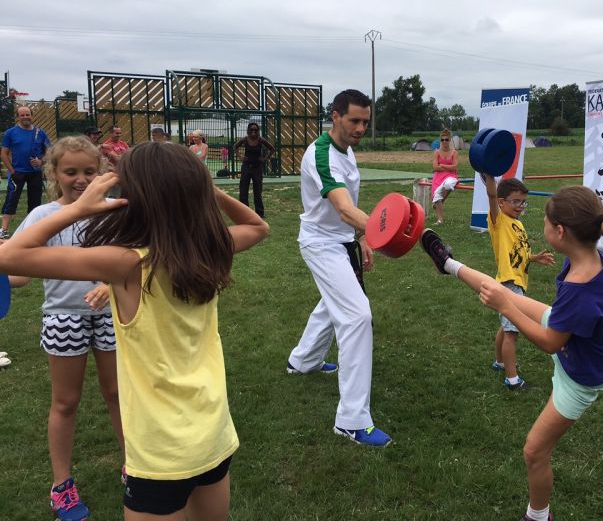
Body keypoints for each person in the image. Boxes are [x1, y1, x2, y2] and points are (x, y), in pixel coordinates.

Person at [0, 142, 269, 519]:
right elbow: (258, 226)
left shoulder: (126, 263)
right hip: (213, 434)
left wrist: (76, 209)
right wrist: (206, 188)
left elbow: (8, 256)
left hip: (160, 449)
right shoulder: (210, 248)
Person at [420, 186, 603, 521]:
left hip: (579, 375)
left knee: (534, 451)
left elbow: (551, 343)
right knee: (498, 287)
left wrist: (508, 307)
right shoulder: (595, 259)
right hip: (573, 333)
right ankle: (447, 263)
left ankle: (538, 516)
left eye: (547, 222)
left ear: (560, 232)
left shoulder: (580, 286)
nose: (543, 227)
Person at [5, 136, 123, 520]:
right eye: (71, 171)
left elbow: (130, 263)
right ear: (53, 172)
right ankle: (62, 485)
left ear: (102, 172)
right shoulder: (42, 217)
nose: (81, 179)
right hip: (64, 318)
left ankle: (135, 467)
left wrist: (110, 284)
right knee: (66, 402)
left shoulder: (113, 212)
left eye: (90, 171)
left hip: (110, 318)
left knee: (119, 394)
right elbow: (21, 273)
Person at [286, 89, 392, 448]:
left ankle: (302, 361)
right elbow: (345, 208)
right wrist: (380, 232)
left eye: (366, 121)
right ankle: (351, 421)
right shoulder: (321, 154)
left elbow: (349, 211)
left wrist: (361, 239)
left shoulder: (346, 150)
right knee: (357, 316)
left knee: (334, 303)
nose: (361, 127)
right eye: (354, 120)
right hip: (320, 244)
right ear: (335, 116)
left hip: (341, 241)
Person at [484, 174, 555, 390]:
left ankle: (500, 362)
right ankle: (512, 380)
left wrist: (534, 258)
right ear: (501, 202)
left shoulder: (518, 224)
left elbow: (520, 251)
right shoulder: (498, 220)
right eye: (516, 201)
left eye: (523, 201)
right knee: (512, 333)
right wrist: (488, 174)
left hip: (517, 281)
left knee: (506, 326)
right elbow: (491, 193)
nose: (520, 206)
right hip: (509, 283)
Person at [1, 105, 51, 239]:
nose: (25, 117)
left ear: (32, 115)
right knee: (11, 200)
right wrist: (12, 171)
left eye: (27, 114)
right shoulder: (10, 133)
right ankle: (4, 229)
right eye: (22, 115)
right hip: (18, 173)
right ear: (18, 117)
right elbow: (4, 154)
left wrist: (41, 161)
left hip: (35, 173)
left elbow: (50, 152)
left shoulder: (40, 132)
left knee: (35, 201)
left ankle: (31, 229)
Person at [234, 123, 275, 219]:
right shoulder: (245, 139)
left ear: (258, 131)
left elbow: (272, 149)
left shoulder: (261, 140)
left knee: (258, 191)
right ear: (248, 130)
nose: (253, 132)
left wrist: (265, 159)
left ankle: (259, 213)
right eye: (251, 130)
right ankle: (244, 212)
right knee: (243, 190)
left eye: (255, 130)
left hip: (257, 168)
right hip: (246, 167)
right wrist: (240, 157)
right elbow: (235, 146)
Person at [431, 128, 459, 225]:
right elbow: (435, 167)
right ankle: (440, 220)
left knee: (448, 185)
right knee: (437, 196)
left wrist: (442, 165)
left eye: (446, 139)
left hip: (451, 176)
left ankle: (441, 201)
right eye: (442, 140)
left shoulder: (454, 152)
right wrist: (448, 167)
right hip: (438, 177)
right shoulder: (436, 152)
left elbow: (455, 167)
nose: (444, 141)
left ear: (450, 140)